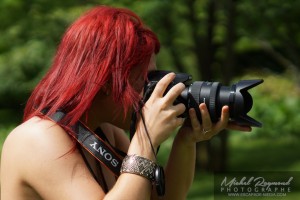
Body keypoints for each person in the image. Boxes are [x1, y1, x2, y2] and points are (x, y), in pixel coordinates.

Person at [0, 5, 251, 200]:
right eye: (145, 81)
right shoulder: (37, 139)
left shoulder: (104, 131)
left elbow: (159, 199)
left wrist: (187, 139)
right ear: (107, 80)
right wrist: (145, 140)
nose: (152, 93)